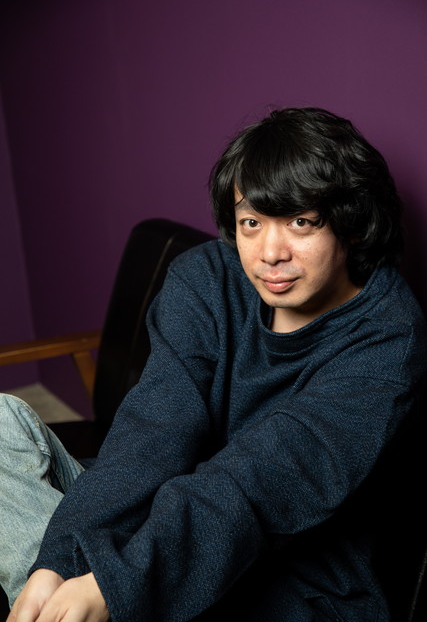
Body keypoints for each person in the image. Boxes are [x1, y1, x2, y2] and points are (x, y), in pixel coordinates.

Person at [1, 107, 426, 622]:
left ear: (352, 224)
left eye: (300, 222)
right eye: (252, 223)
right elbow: (152, 433)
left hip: (289, 581)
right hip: (158, 531)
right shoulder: (205, 280)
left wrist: (117, 586)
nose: (270, 253)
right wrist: (57, 562)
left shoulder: (388, 339)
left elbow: (256, 485)